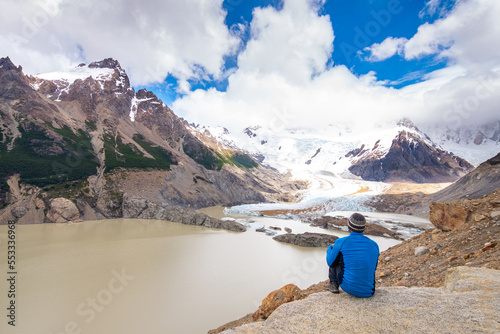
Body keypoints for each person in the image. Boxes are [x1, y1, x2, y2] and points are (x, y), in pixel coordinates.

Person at [325, 213, 379, 298]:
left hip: (349, 287)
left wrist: (330, 248)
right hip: (369, 291)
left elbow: (330, 262)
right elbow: (374, 267)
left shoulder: (341, 242)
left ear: (349, 227)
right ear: (363, 228)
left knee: (335, 256)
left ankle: (333, 285)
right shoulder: (374, 245)